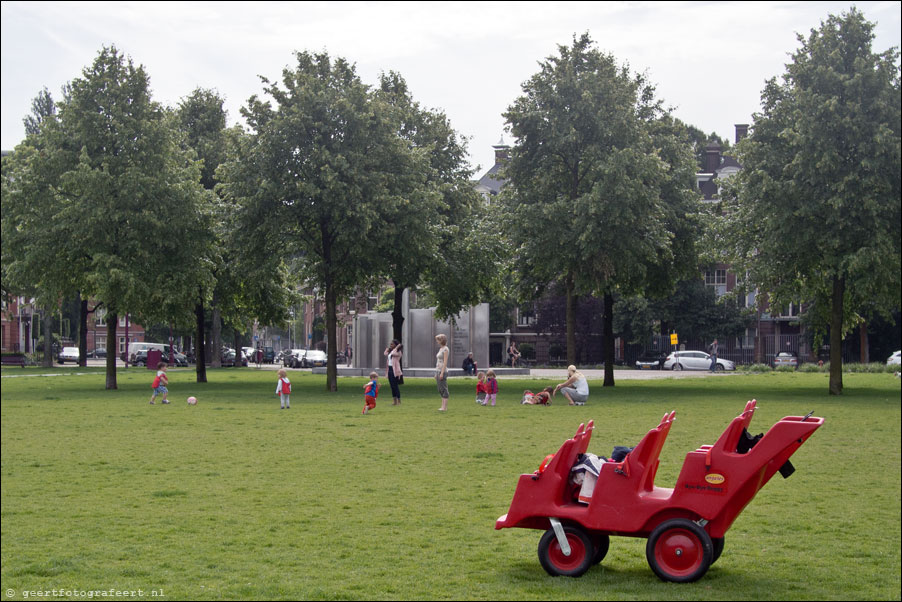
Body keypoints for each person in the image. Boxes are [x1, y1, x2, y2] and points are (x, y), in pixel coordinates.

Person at [384, 339, 403, 406]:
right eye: (390, 344)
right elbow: (385, 353)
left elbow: (393, 353)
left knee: (395, 386)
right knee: (392, 386)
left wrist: (397, 347)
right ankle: (394, 401)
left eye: (392, 344)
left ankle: (399, 401)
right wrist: (388, 349)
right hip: (389, 369)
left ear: (396, 345)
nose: (390, 345)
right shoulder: (391, 351)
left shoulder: (398, 352)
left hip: (395, 370)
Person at [435, 334, 450, 412]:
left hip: (443, 371)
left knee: (444, 389)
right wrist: (436, 372)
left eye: (438, 340)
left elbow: (445, 362)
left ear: (441, 340)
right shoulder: (440, 349)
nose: (437, 341)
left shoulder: (445, 349)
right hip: (438, 370)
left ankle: (444, 407)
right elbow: (438, 361)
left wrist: (442, 373)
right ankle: (442, 406)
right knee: (440, 389)